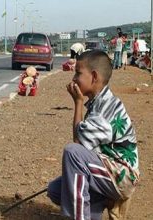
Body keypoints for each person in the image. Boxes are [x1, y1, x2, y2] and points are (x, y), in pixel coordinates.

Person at [47, 50, 139, 220]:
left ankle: (80, 216)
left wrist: (78, 103)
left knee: (72, 152)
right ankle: (93, 209)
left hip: (122, 177)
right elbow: (83, 143)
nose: (74, 78)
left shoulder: (105, 109)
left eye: (78, 73)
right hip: (108, 171)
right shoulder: (99, 103)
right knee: (55, 189)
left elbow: (78, 145)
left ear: (94, 76)